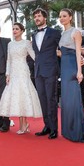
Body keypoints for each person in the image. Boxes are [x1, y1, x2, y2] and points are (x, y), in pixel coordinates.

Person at [58, 8, 84, 143]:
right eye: (60, 16)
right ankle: (68, 131)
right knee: (66, 101)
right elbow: (61, 52)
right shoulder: (62, 33)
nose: (62, 18)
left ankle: (78, 131)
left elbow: (78, 52)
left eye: (64, 16)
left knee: (74, 100)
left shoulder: (75, 32)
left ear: (70, 17)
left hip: (71, 68)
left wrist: (79, 71)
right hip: (63, 68)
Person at [0, 22, 42, 134]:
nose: (14, 30)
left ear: (22, 31)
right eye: (13, 29)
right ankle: (23, 125)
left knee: (23, 95)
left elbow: (35, 56)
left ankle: (24, 125)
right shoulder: (10, 44)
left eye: (17, 29)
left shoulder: (27, 43)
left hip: (23, 71)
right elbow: (8, 60)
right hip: (13, 72)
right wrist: (7, 74)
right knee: (17, 97)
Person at [32, 8, 61, 139]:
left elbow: (63, 48)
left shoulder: (55, 32)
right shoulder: (33, 35)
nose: (36, 18)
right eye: (35, 17)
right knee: (42, 100)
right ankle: (47, 126)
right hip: (38, 71)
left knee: (51, 99)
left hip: (50, 70)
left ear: (45, 18)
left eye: (39, 16)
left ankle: (54, 128)